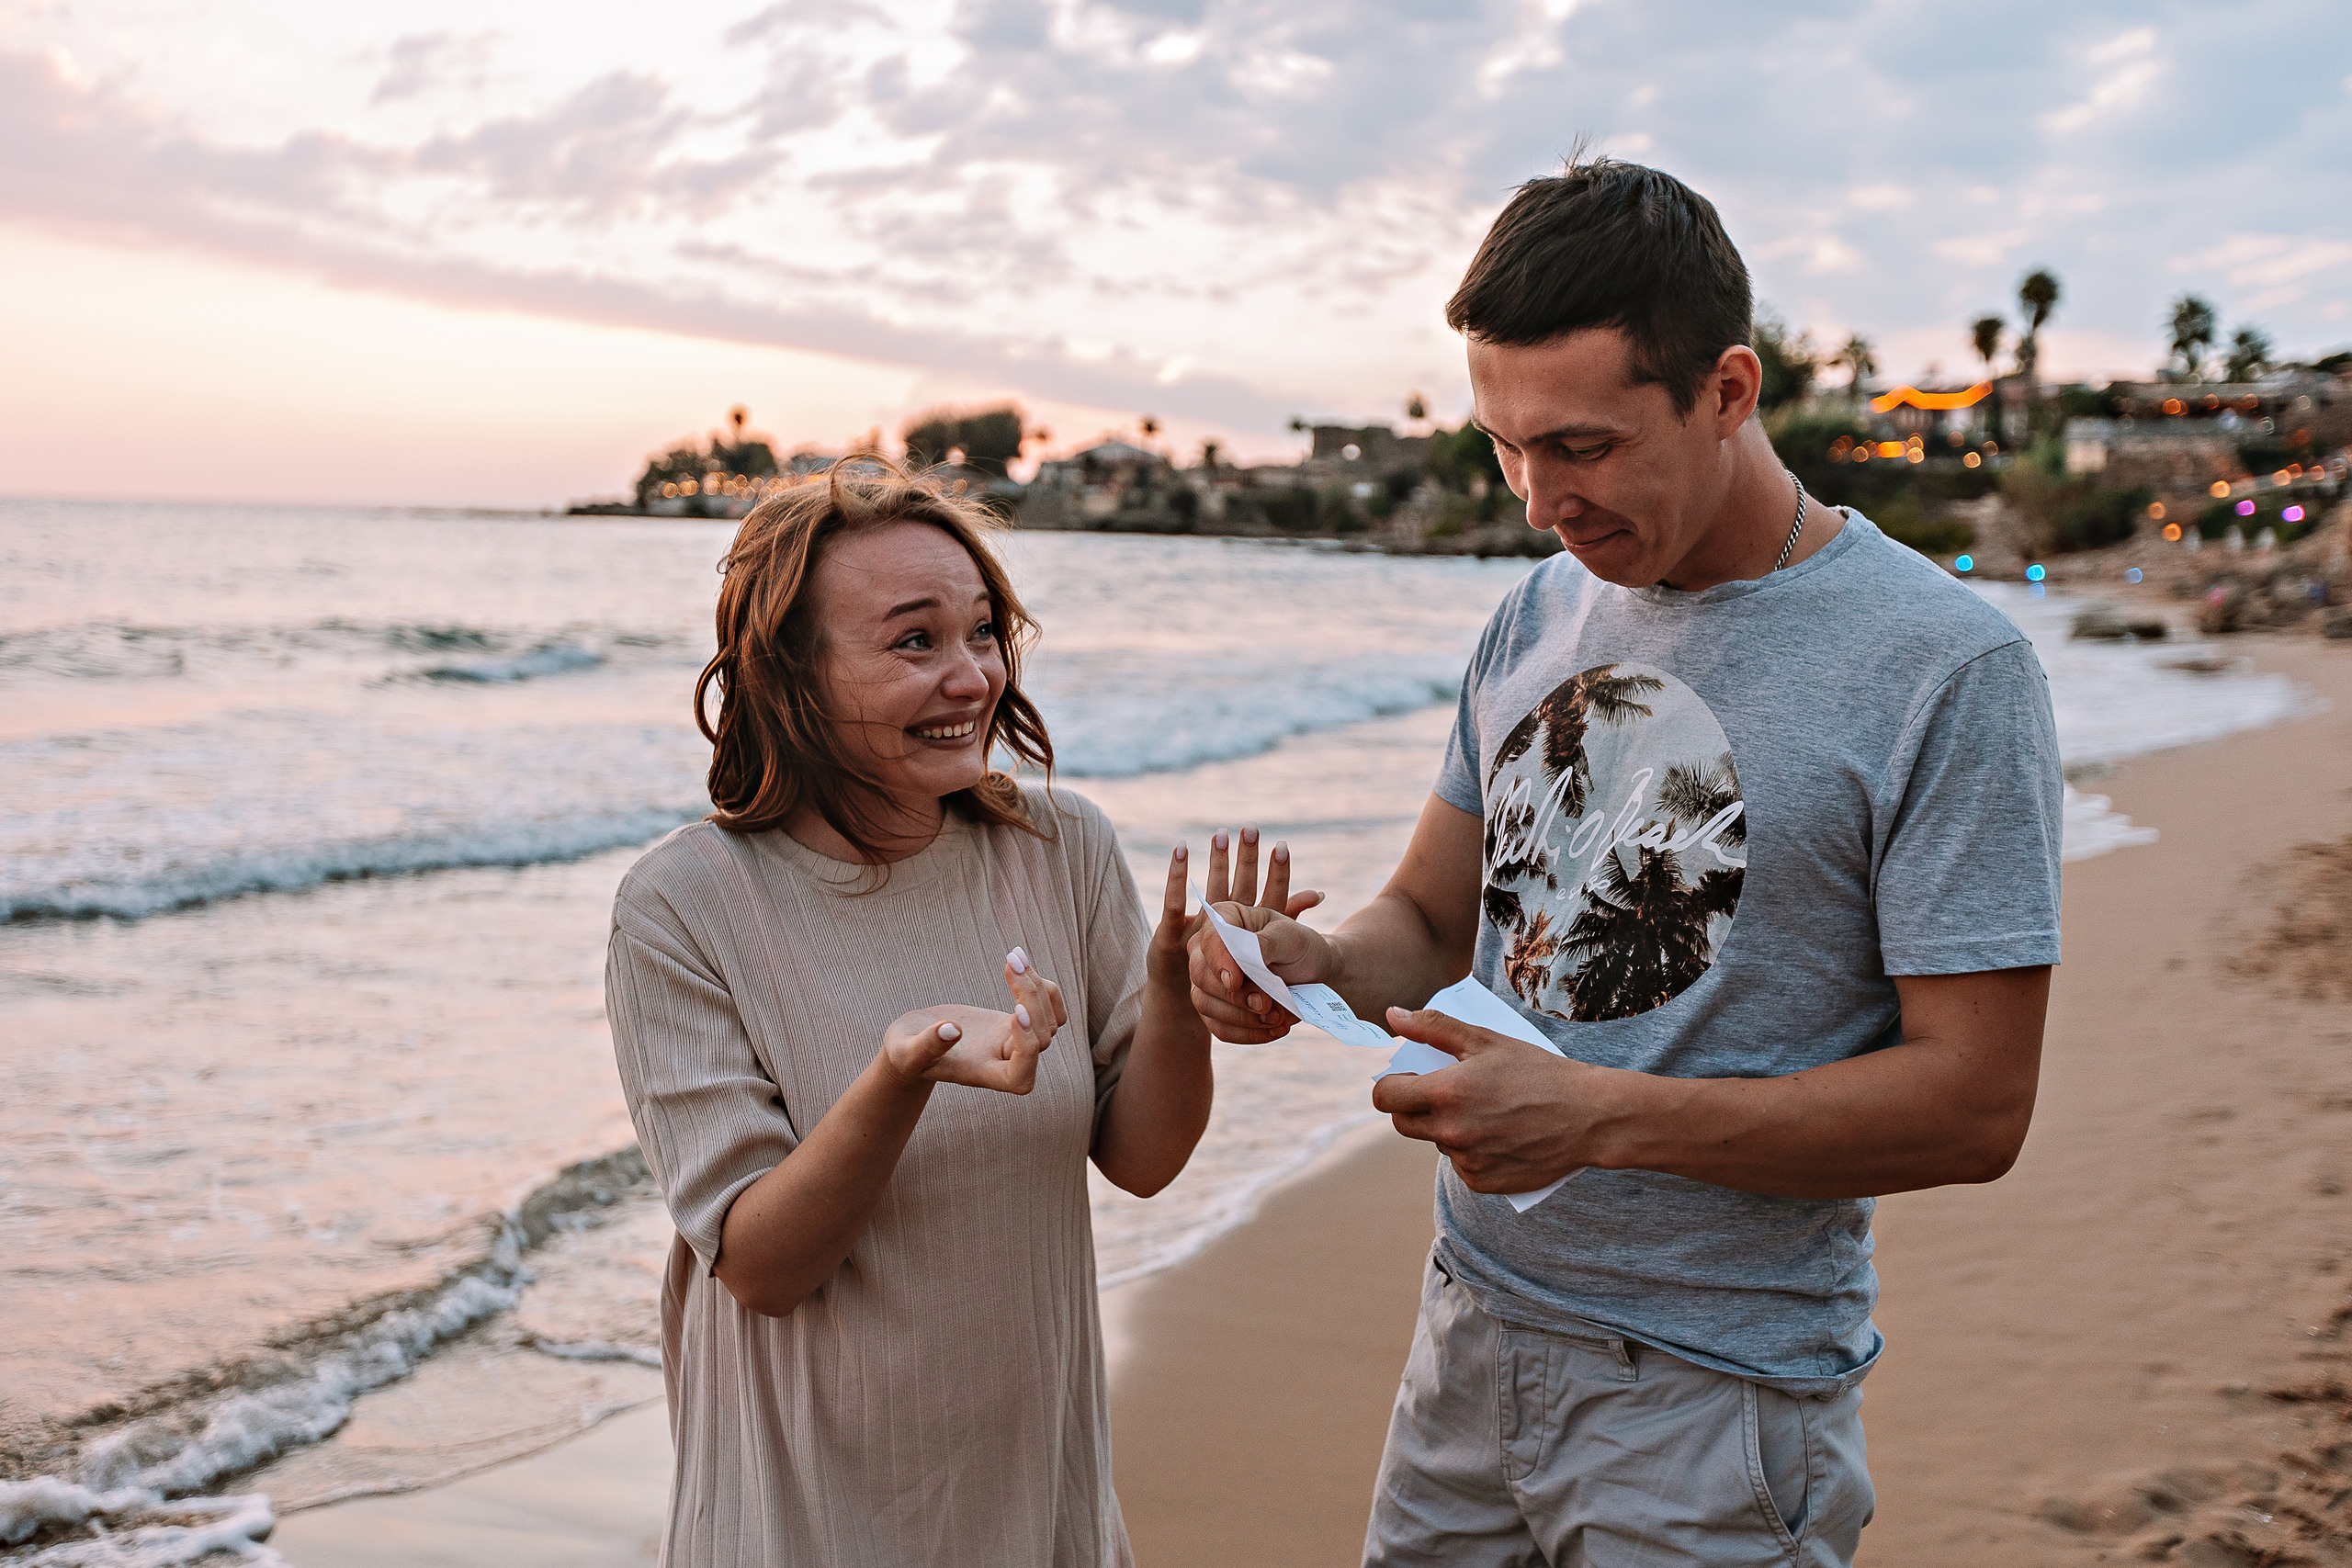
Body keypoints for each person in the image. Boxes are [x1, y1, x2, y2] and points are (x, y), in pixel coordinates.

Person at [1190, 159, 2062, 1567]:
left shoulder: (1945, 667)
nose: (1540, 502)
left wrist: (1597, 1117)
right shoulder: (1534, 614)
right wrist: (1314, 965)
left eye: (1583, 446)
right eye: (1505, 446)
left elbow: (1975, 1105)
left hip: (1718, 1396)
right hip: (1469, 1327)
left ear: (1728, 391)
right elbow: (1431, 914)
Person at [605, 462, 1310, 1566]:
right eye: (914, 642)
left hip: (1040, 1513)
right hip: (809, 1528)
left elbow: (1142, 1159)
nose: (973, 676)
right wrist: (904, 1071)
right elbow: (763, 1267)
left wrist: (1176, 995)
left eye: (982, 632)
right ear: (790, 675)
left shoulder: (1058, 847)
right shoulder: (684, 906)